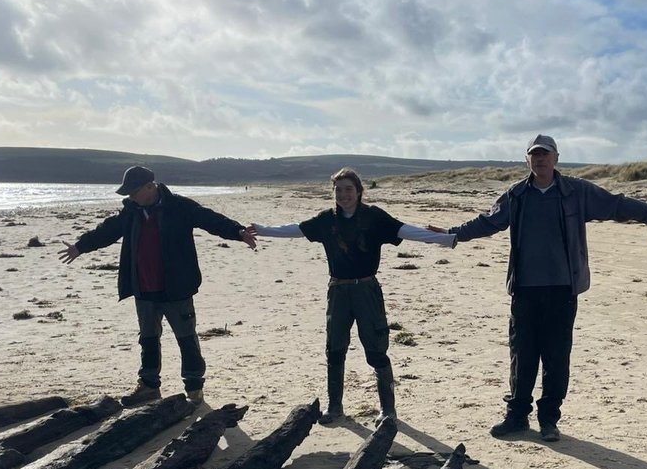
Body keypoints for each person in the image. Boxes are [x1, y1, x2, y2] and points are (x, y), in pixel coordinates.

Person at [429, 134, 647, 443]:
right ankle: (516, 416)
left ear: (556, 158)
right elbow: (488, 222)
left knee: (557, 357)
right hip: (525, 291)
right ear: (527, 160)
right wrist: (452, 235)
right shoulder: (515, 195)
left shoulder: (576, 192)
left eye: (546, 154)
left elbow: (618, 205)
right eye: (535, 155)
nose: (540, 159)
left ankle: (549, 420)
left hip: (562, 290)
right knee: (522, 355)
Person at [248, 167, 455, 425]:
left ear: (359, 192)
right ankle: (335, 408)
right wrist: (262, 230)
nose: (343, 194)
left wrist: (444, 238)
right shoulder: (327, 220)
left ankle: (388, 411)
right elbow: (297, 230)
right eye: (338, 190)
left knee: (376, 349)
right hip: (338, 291)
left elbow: (405, 231)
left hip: (366, 290)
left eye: (348, 189)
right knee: (334, 349)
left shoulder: (374, 217)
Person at [59, 165, 256, 406]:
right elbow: (107, 231)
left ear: (150, 187)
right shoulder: (131, 212)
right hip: (144, 289)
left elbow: (210, 219)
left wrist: (237, 231)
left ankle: (194, 389)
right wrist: (81, 246)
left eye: (134, 192)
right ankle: (149, 386)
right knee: (148, 339)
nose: (130, 197)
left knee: (187, 339)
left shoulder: (180, 207)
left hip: (176, 289)